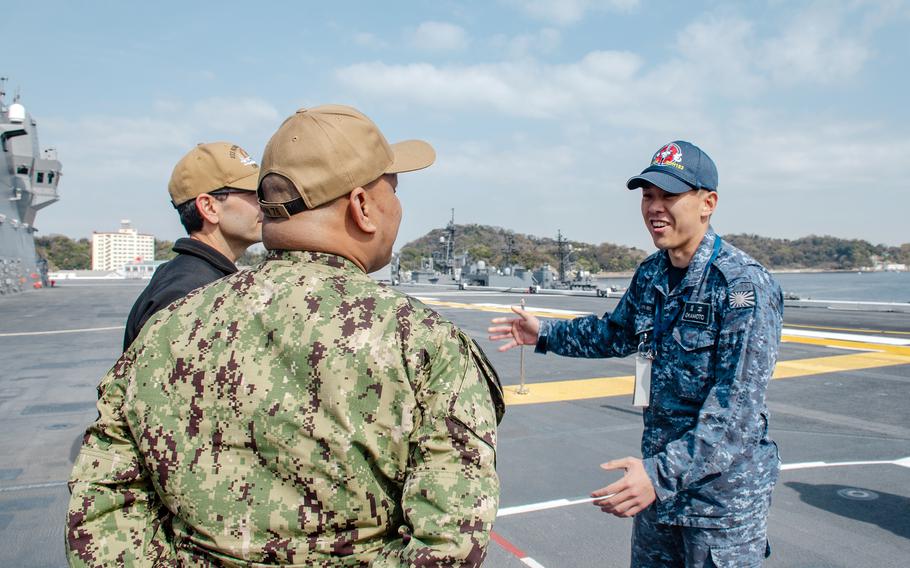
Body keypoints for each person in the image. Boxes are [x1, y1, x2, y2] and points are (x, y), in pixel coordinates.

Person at [67, 104, 505, 567]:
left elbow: (100, 523)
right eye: (391, 190)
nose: (397, 205)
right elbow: (449, 546)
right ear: (362, 207)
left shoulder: (166, 330)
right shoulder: (425, 344)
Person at [489, 141, 782, 567]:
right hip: (658, 494)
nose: (654, 208)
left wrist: (658, 474)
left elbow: (735, 413)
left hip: (719, 507)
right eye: (648, 196)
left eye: (669, 196)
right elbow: (615, 332)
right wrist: (544, 333)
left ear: (708, 203)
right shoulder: (652, 273)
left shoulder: (741, 287)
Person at [122, 142, 263, 350]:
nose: (265, 203)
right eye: (253, 193)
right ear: (208, 207)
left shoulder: (197, 277)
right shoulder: (189, 292)